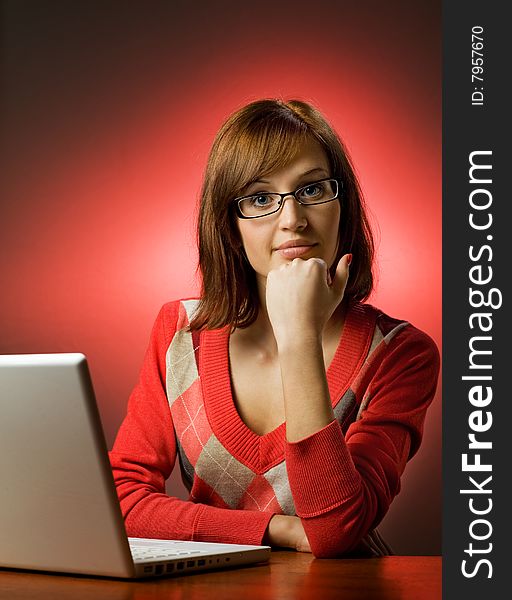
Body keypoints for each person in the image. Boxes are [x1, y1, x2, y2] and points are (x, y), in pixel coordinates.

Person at [109, 99, 440, 558]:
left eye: (312, 190)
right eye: (261, 198)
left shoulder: (401, 354)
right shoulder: (180, 333)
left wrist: (299, 336)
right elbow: (121, 502)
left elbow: (334, 530)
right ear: (230, 225)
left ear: (341, 203)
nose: (293, 220)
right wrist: (278, 530)